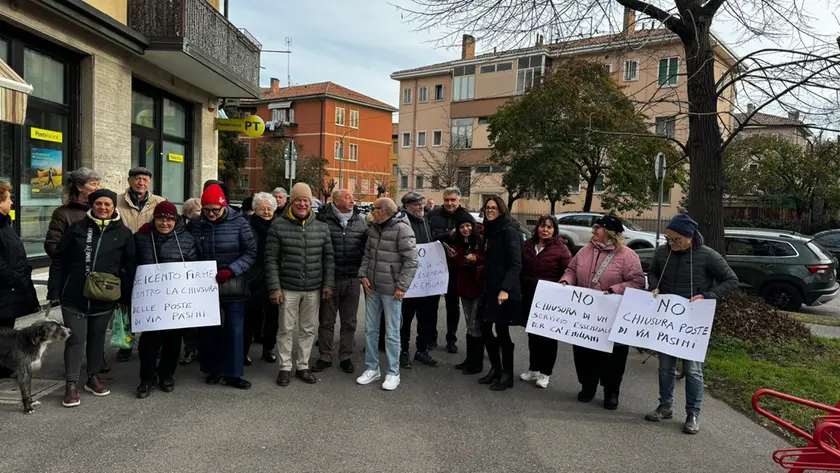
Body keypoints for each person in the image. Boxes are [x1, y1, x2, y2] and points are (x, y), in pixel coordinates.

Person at [645, 214, 738, 434]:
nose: (671, 243)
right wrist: (655, 286)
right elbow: (652, 271)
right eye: (669, 238)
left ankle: (693, 413)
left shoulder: (707, 256)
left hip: (693, 322)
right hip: (667, 319)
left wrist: (708, 295)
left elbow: (731, 280)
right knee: (666, 366)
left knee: (693, 370)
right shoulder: (662, 253)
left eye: (676, 239)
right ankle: (665, 406)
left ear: (689, 237)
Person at [55, 189, 135, 407]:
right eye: (98, 203)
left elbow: (129, 267)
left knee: (97, 339)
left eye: (107, 204)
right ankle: (71, 384)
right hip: (74, 296)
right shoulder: (77, 229)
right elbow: (59, 260)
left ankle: (93, 377)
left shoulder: (123, 234)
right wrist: (55, 291)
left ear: (114, 207)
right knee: (75, 340)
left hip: (105, 298)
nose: (103, 208)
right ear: (91, 205)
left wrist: (124, 296)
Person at [560, 215, 645, 409]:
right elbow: (571, 270)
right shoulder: (583, 251)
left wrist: (615, 290)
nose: (593, 231)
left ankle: (611, 391)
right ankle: (587, 386)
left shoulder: (627, 255)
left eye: (597, 227)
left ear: (608, 232)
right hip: (586, 315)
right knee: (583, 352)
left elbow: (637, 282)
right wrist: (566, 281)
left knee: (613, 356)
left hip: (612, 315)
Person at [266, 183, 335, 387]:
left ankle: (303, 366)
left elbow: (328, 259)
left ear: (310, 203)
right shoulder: (278, 225)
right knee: (285, 329)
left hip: (313, 288)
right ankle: (285, 367)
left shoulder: (321, 227)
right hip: (287, 287)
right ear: (292, 202)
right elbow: (270, 259)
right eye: (298, 200)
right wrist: (274, 287)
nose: (302, 204)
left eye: (305, 200)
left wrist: (328, 284)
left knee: (307, 330)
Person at [188, 184, 257, 389]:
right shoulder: (195, 223)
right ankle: (213, 369)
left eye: (215, 210)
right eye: (206, 210)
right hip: (205, 285)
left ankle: (233, 372)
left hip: (232, 283)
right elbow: (183, 243)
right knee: (209, 329)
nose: (210, 214)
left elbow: (251, 252)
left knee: (234, 328)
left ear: (223, 206)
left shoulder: (239, 223)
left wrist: (233, 269)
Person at [134, 201, 198, 398]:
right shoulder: (141, 237)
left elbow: (193, 266)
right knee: (148, 342)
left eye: (169, 219)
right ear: (155, 218)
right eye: (161, 218)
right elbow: (131, 264)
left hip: (175, 300)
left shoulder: (186, 239)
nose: (164, 223)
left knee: (172, 341)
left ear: (175, 220)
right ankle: (146, 378)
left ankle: (167, 375)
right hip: (150, 300)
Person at [356, 198, 418, 391]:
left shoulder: (403, 229)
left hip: (392, 291)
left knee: (392, 333)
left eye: (373, 208)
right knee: (370, 330)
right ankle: (372, 368)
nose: (371, 211)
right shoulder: (374, 227)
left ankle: (393, 373)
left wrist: (401, 286)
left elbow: (411, 261)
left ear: (382, 210)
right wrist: (363, 275)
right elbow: (367, 254)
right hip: (372, 287)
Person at [312, 189, 367, 374]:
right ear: (335, 201)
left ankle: (345, 356)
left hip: (352, 278)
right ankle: (325, 356)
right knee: (326, 320)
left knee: (349, 321)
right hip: (330, 280)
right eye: (347, 197)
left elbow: (365, 250)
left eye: (353, 196)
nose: (352, 200)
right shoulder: (322, 220)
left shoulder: (360, 221)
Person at [116, 167, 164, 362]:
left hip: (149, 259)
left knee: (150, 303)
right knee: (126, 303)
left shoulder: (159, 202)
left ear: (149, 182)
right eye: (137, 179)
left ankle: (150, 342)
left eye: (145, 179)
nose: (141, 183)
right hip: (124, 258)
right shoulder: (117, 201)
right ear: (129, 181)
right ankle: (126, 344)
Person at [519, 215, 573, 389]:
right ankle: (533, 368)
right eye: (543, 226)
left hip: (550, 299)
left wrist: (564, 283)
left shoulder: (561, 248)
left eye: (549, 227)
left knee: (548, 338)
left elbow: (570, 270)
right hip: (529, 295)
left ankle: (545, 373)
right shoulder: (527, 245)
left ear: (554, 230)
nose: (545, 230)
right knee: (533, 334)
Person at [476, 196, 522, 391]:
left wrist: (505, 289)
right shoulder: (489, 230)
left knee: (502, 333)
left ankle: (507, 375)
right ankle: (495, 368)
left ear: (501, 210)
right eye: (487, 208)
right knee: (485, 329)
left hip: (502, 291)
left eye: (494, 208)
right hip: (488, 288)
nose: (490, 211)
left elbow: (515, 264)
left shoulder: (508, 231)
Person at [0, 182, 40, 378]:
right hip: (6, 289)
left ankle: (5, 368)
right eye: (8, 199)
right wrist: (18, 280)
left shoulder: (4, 223)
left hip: (9, 292)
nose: (12, 202)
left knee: (6, 330)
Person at [427, 187, 474, 353]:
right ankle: (431, 337)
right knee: (431, 305)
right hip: (434, 267)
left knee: (452, 306)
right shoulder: (432, 215)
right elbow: (428, 237)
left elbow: (473, 240)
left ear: (459, 201)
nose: (449, 203)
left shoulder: (466, 216)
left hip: (455, 269)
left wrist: (465, 254)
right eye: (446, 200)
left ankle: (451, 339)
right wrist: (448, 235)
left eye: (453, 200)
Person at [398, 192, 440, 369]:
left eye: (421, 203)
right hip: (409, 281)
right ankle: (403, 352)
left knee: (426, 318)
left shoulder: (425, 220)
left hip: (426, 281)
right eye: (416, 204)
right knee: (405, 319)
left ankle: (422, 350)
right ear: (407, 206)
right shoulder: (401, 222)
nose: (420, 206)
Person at [243, 192, 278, 365]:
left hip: (274, 277)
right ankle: (243, 351)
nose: (266, 212)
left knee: (274, 316)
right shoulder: (246, 225)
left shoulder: (279, 226)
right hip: (254, 277)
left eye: (269, 208)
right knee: (251, 317)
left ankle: (268, 348)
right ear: (255, 209)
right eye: (262, 208)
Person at [449, 212, 484, 375]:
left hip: (478, 287)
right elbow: (460, 261)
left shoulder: (481, 240)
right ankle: (469, 359)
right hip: (464, 288)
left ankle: (476, 364)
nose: (465, 229)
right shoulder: (458, 242)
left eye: (468, 225)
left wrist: (476, 258)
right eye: (462, 226)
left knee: (475, 325)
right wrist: (455, 257)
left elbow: (486, 259)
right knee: (469, 326)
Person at [178, 197, 202, 365]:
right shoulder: (179, 227)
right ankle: (190, 348)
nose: (201, 215)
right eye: (197, 212)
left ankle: (197, 348)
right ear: (187, 214)